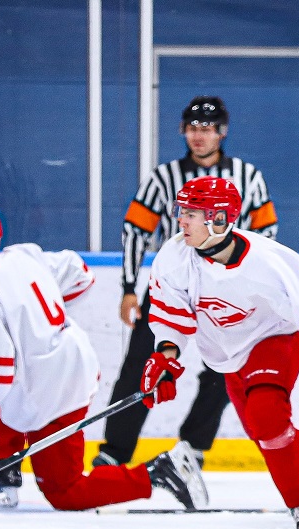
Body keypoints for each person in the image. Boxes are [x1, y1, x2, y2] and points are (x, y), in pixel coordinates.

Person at [142, 176, 299, 529]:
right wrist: (166, 357)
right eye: (182, 212)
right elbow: (171, 317)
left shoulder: (273, 263)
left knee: (267, 418)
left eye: (192, 213)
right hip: (229, 358)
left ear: (220, 218)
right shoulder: (174, 258)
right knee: (273, 438)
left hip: (279, 340)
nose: (181, 221)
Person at [0, 206, 205, 511]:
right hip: (70, 365)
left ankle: (159, 473)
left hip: (50, 390)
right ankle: (5, 468)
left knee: (65, 491)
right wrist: (35, 318)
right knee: (11, 372)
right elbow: (80, 273)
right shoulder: (23, 256)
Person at [100, 96, 278, 484]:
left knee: (223, 371)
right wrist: (130, 286)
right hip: (171, 286)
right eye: (193, 127)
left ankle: (192, 449)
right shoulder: (163, 177)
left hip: (230, 291)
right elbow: (135, 230)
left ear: (222, 132)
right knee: (140, 367)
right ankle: (114, 453)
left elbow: (266, 236)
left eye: (208, 128)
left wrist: (258, 289)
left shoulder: (249, 177)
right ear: (183, 131)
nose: (200, 135)